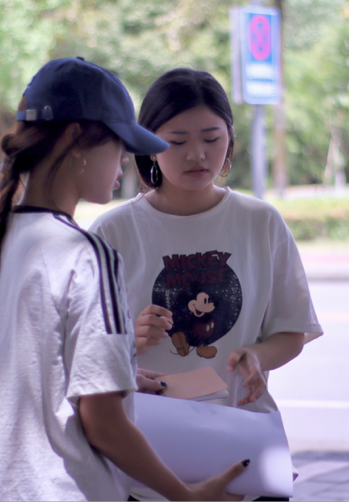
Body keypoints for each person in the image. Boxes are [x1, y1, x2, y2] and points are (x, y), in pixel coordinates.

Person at [0, 58, 248, 501]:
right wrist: (186, 495)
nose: (125, 160)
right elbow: (104, 424)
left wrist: (120, 373)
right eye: (119, 144)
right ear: (76, 142)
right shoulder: (86, 256)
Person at [90, 68, 323, 501]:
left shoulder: (260, 222)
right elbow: (82, 358)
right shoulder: (112, 233)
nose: (197, 154)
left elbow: (292, 332)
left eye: (212, 139)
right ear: (147, 143)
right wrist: (129, 341)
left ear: (230, 139)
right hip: (147, 461)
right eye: (177, 141)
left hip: (243, 447)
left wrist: (257, 355)